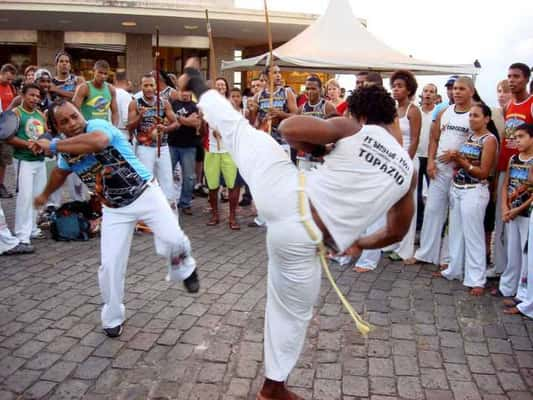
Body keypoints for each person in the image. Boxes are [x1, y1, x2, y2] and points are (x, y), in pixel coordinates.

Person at [178, 59, 415, 400]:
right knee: (292, 315)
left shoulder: (353, 129)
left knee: (243, 135)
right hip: (306, 240)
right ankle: (273, 387)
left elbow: (289, 128)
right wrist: (360, 242)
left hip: (286, 197)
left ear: (358, 116)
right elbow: (396, 232)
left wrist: (322, 147)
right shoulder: (409, 171)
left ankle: (199, 85)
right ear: (392, 118)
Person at [32, 98, 200, 337]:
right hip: (114, 209)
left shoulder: (97, 126)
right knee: (110, 265)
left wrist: (52, 146)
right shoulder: (65, 149)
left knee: (174, 239)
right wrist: (44, 195)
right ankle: (112, 317)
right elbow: (60, 172)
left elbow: (99, 142)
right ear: (57, 128)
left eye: (75, 116)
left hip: (146, 194)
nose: (72, 123)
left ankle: (185, 269)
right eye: (64, 122)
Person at [434, 103, 498, 295]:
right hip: (459, 187)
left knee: (474, 235)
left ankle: (477, 278)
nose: (471, 119)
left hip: (474, 190)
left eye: (476, 116)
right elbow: (467, 163)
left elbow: (483, 172)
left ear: (486, 119)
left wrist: (461, 160)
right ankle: (454, 269)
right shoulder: (470, 137)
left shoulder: (489, 140)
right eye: (470, 116)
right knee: (456, 231)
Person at [414, 76, 475, 267]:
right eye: (455, 89)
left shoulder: (475, 114)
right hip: (439, 170)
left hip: (461, 172)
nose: (456, 92)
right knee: (432, 209)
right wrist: (431, 161)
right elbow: (434, 138)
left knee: (455, 217)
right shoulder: (444, 111)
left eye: (462, 89)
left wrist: (458, 156)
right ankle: (426, 253)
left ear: (471, 91)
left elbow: (481, 142)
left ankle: (449, 258)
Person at [492, 63, 533, 278]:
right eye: (509, 76)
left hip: (525, 172)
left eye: (516, 76)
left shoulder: (531, 104)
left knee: (521, 225)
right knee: (503, 221)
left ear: (526, 79)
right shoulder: (509, 107)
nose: (512, 80)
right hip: (505, 169)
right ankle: (502, 268)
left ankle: (521, 277)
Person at [494, 123, 533, 305]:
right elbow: (506, 183)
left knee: (526, 255)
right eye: (515, 137)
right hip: (511, 210)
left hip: (525, 213)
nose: (517, 140)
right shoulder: (514, 159)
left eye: (521, 136)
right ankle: (507, 286)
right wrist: (504, 207)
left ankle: (523, 294)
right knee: (513, 250)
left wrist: (517, 209)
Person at [128, 73, 179, 206]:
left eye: (151, 85)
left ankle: (169, 211)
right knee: (146, 180)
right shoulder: (135, 103)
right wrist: (140, 116)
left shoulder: (164, 102)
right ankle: (147, 211)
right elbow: (130, 126)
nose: (149, 88)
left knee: (167, 179)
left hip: (162, 147)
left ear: (156, 86)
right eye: (146, 85)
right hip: (144, 148)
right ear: (141, 87)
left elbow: (176, 123)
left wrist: (165, 128)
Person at [5, 84, 48, 245]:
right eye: (31, 95)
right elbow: (8, 137)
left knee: (37, 195)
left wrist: (43, 145)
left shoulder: (40, 115)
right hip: (24, 160)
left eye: (37, 96)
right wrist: (28, 145)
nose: (35, 99)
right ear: (23, 95)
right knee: (24, 196)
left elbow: (45, 134)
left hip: (39, 160)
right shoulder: (16, 113)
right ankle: (22, 234)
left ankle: (33, 228)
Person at [388, 70, 421, 263]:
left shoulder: (413, 111)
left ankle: (406, 249)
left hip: (408, 160)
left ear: (408, 90)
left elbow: (415, 139)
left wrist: (405, 162)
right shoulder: (392, 109)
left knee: (408, 205)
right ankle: (392, 241)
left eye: (400, 86)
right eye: (394, 86)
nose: (395, 89)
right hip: (392, 160)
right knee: (393, 204)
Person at [203, 77, 241, 229]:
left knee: (233, 184)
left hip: (228, 150)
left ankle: (232, 217)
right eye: (217, 85)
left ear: (226, 88)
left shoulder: (231, 105)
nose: (220, 87)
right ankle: (214, 214)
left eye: (222, 85)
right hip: (212, 150)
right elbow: (203, 125)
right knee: (212, 185)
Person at [248, 64, 298, 153]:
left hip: (284, 140)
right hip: (265, 139)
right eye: (275, 73)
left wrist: (279, 114)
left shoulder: (287, 92)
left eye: (279, 72)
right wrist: (251, 112)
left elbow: (296, 116)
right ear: (266, 77)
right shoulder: (258, 96)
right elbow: (253, 123)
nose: (278, 75)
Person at [169, 89, 202, 215]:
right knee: (167, 175)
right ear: (179, 91)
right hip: (172, 145)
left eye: (187, 91)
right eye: (183, 91)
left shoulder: (195, 106)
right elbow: (169, 120)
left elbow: (196, 123)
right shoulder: (172, 104)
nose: (185, 94)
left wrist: (177, 118)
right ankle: (166, 202)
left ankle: (185, 203)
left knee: (189, 178)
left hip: (189, 146)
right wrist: (187, 120)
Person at [297, 76, 336, 170]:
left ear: (320, 89)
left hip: (322, 156)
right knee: (303, 183)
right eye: (307, 88)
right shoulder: (301, 108)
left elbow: (336, 131)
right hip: (304, 155)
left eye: (313, 89)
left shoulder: (328, 107)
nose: (310, 91)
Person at [416, 84, 437, 230]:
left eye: (431, 92)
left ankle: (432, 227)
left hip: (431, 158)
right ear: (421, 94)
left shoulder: (438, 112)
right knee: (416, 195)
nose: (428, 94)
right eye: (426, 91)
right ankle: (418, 224)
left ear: (436, 96)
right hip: (416, 156)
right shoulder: (416, 111)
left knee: (433, 194)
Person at [73, 60, 119, 126]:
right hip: (88, 129)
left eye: (105, 74)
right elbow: (74, 110)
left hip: (104, 129)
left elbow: (115, 112)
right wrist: (83, 126)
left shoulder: (110, 89)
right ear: (94, 71)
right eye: (100, 73)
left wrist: (114, 128)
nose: (103, 76)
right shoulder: (84, 88)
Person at [0, 63, 18, 199]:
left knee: (4, 159)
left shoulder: (11, 87)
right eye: (8, 78)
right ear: (2, 73)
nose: (10, 81)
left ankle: (1, 185)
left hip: (6, 128)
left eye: (12, 79)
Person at [114, 70, 133, 139]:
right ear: (127, 81)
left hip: (109, 132)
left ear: (115, 80)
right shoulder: (126, 95)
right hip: (122, 134)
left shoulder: (108, 93)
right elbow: (126, 120)